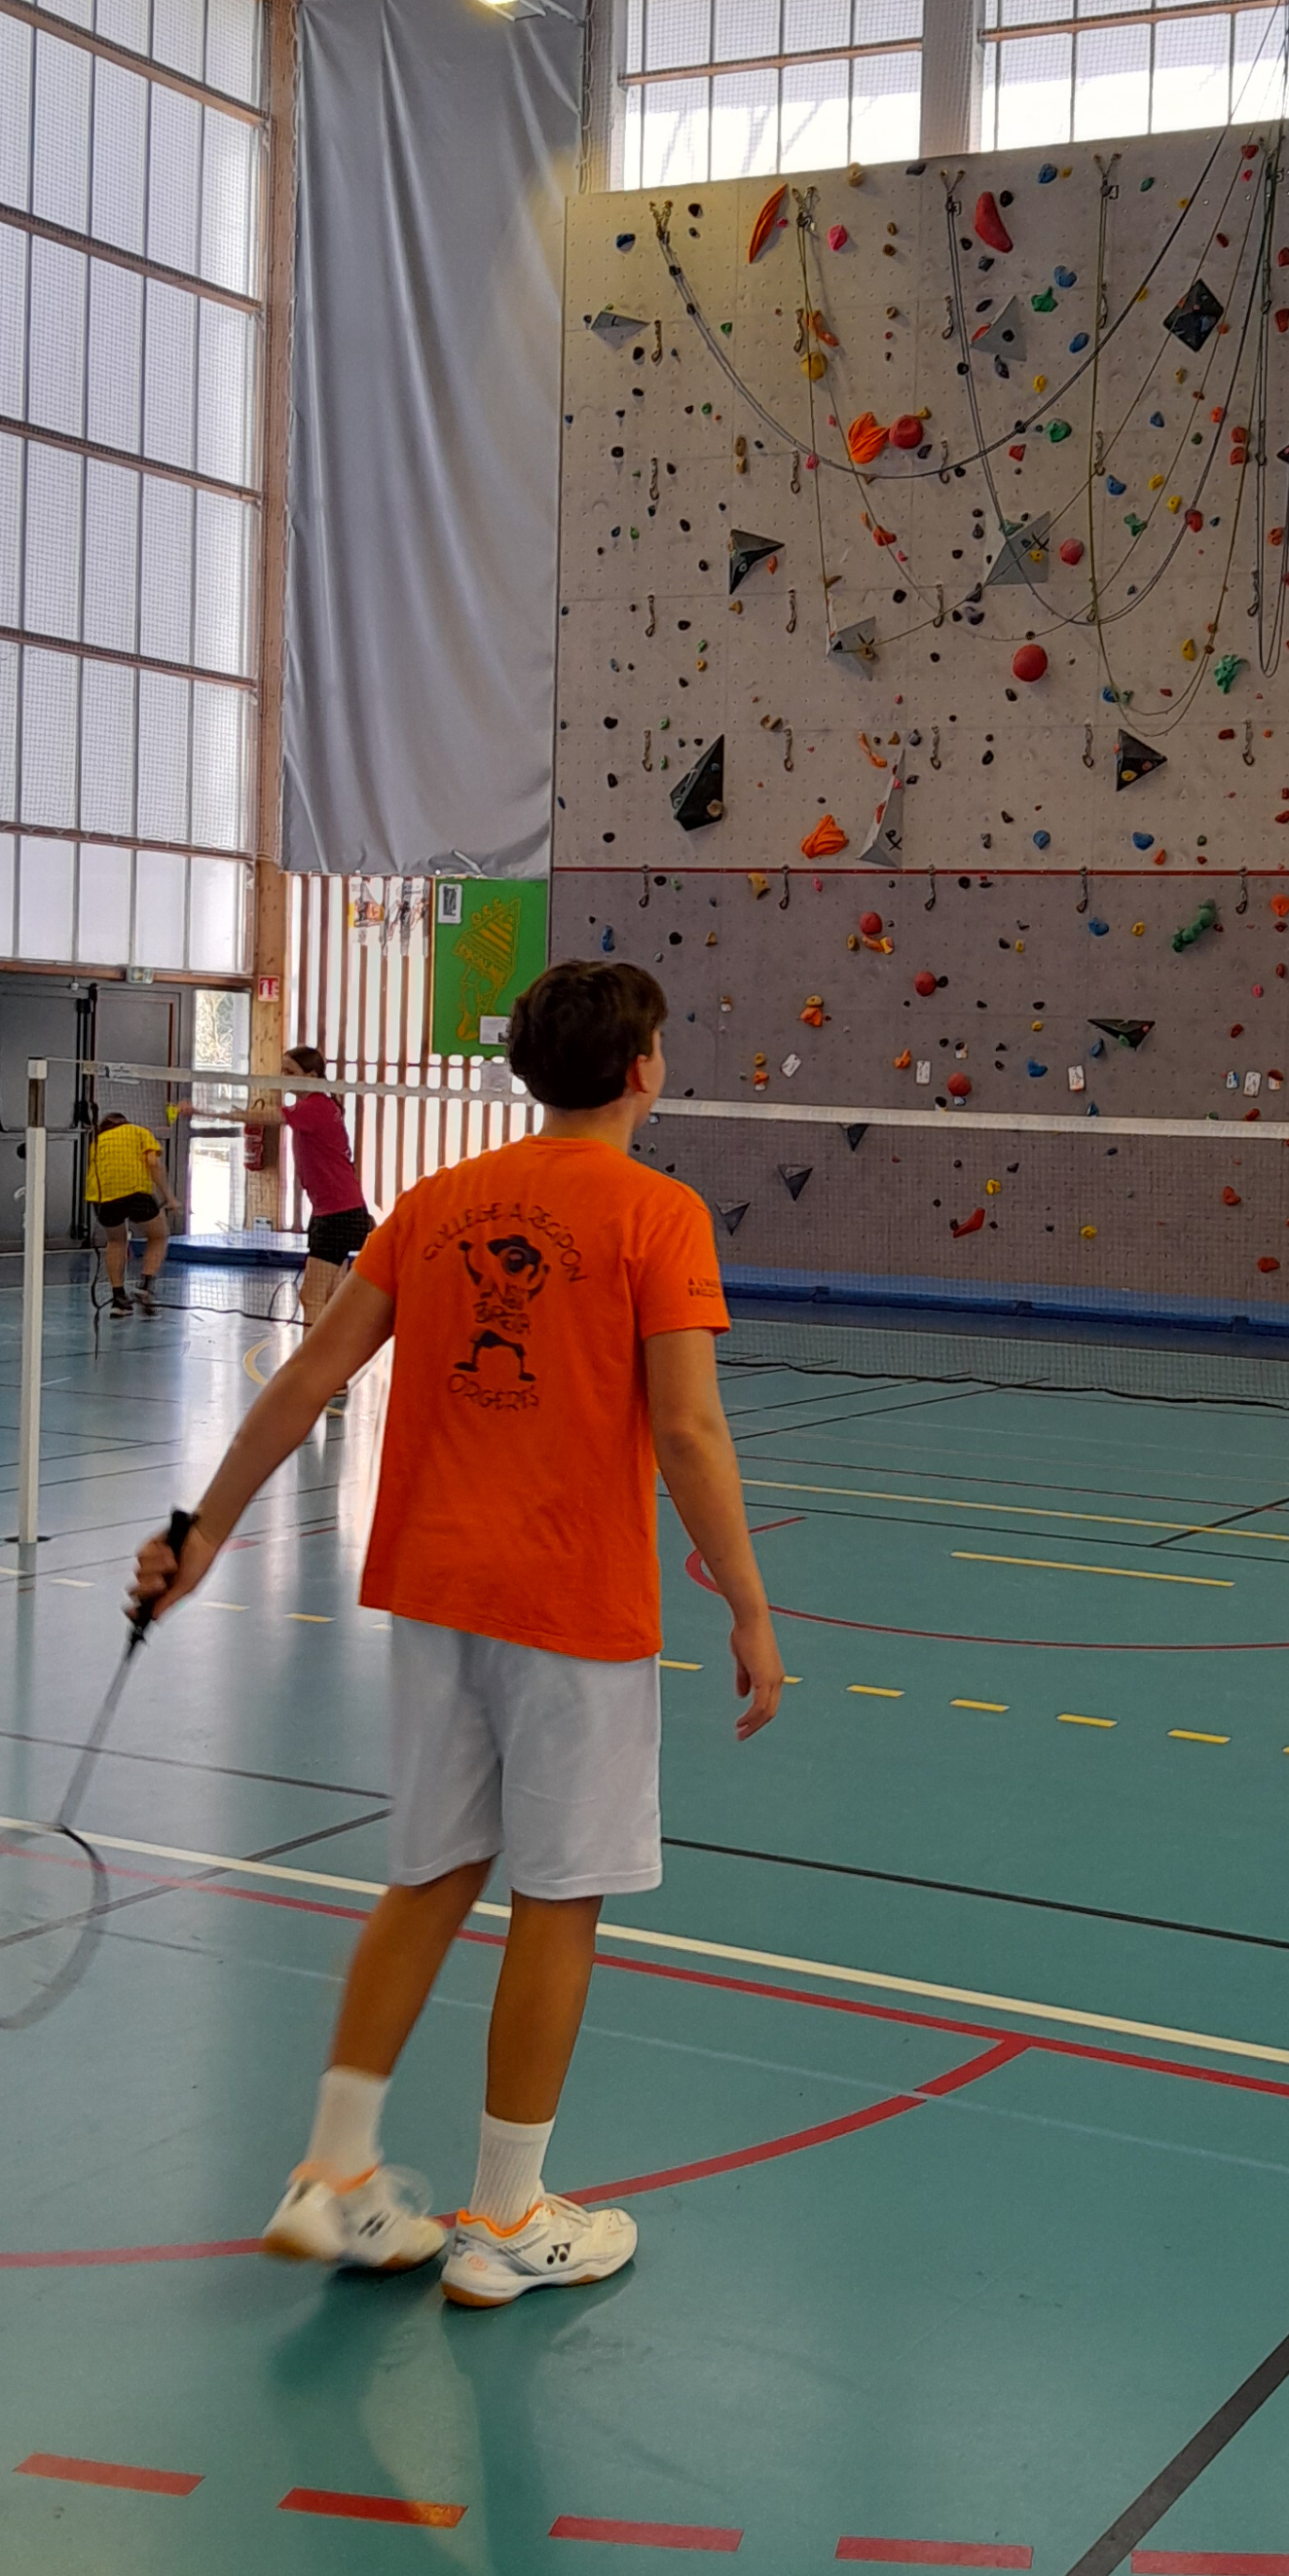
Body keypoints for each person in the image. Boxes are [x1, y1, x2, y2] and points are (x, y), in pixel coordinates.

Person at [129, 961, 784, 2311]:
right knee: (560, 1896)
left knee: (428, 1875)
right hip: (572, 1607)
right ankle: (507, 2218)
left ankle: (336, 2175)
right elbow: (686, 1427)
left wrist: (199, 1532)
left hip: (431, 1597)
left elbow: (310, 1374)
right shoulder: (660, 1214)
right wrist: (750, 1602)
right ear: (643, 1069)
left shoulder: (434, 1203)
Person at [278, 1047, 372, 1327]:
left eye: (289, 1072)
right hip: (339, 1212)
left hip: (337, 1217)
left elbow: (268, 1117)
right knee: (331, 1298)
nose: (282, 1076)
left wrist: (207, 1112)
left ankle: (314, 1355)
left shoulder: (315, 1106)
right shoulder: (319, 1105)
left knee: (312, 1297)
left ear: (311, 1076)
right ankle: (335, 1351)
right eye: (281, 1070)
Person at [87, 1109, 172, 1316]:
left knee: (116, 1241)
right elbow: (153, 1163)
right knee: (159, 1235)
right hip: (135, 1191)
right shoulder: (140, 1132)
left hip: (103, 1197)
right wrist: (169, 1196)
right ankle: (146, 1285)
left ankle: (119, 1300)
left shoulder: (97, 1141)